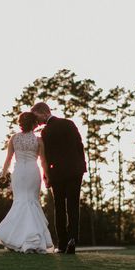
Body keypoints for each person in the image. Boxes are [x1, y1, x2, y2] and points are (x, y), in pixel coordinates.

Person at [0, 112, 53, 253]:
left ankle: (17, 239)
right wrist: (47, 177)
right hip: (32, 172)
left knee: (20, 202)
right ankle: (32, 240)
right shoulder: (38, 140)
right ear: (34, 124)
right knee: (31, 202)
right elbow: (43, 161)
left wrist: (3, 175)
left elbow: (8, 159)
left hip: (18, 173)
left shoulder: (14, 138)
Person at [30, 102, 86, 254]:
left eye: (36, 117)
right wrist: (82, 166)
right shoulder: (69, 123)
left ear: (44, 113)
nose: (37, 121)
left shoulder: (46, 132)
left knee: (59, 208)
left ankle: (61, 244)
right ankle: (72, 239)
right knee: (73, 207)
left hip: (58, 174)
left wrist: (46, 175)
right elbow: (79, 146)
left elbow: (45, 157)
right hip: (75, 171)